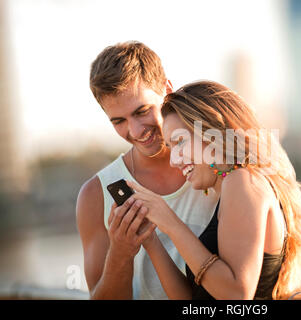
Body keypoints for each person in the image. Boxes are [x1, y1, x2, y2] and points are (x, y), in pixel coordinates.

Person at [125, 80, 301, 299]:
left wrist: (170, 222)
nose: (174, 160)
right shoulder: (234, 185)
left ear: (212, 132)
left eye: (179, 142)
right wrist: (150, 237)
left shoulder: (242, 181)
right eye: (170, 147)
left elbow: (236, 295)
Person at [76, 42, 219, 299]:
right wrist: (120, 254)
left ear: (167, 89)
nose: (136, 131)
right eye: (118, 121)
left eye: (142, 111)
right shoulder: (94, 196)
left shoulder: (215, 163)